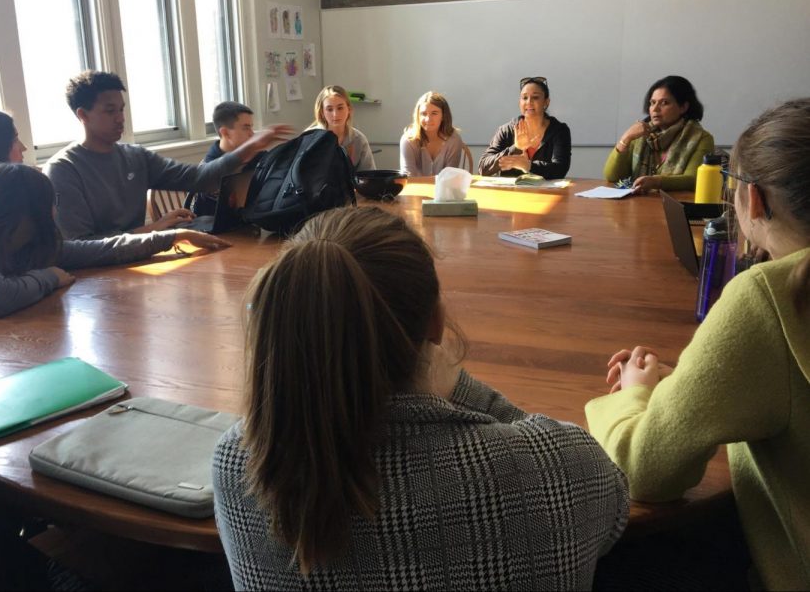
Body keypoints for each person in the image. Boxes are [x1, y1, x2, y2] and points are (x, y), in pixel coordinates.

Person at [213, 206, 628, 588]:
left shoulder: (239, 467)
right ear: (436, 323)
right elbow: (616, 503)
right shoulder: (562, 467)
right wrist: (633, 398)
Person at [585, 99, 810, 590]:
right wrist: (698, 381)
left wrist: (634, 393)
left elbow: (644, 468)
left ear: (753, 200)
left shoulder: (770, 296)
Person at [0, 163, 230, 367]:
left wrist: (171, 237)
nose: (54, 213)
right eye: (51, 205)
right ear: (28, 211)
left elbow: (100, 250)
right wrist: (48, 277)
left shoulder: (22, 240)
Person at [43, 70, 290, 240]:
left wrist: (250, 147)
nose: (120, 118)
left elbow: (199, 178)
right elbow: (81, 245)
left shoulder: (136, 156)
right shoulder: (64, 169)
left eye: (121, 109)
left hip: (140, 263)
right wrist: (153, 230)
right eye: (109, 111)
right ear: (82, 115)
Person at [603, 75, 714, 193]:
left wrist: (657, 182)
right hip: (638, 203)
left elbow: (694, 180)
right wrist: (626, 138)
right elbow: (612, 176)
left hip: (676, 206)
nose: (655, 109)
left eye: (664, 103)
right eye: (652, 103)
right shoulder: (640, 134)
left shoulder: (701, 138)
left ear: (683, 107)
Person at [187, 102, 276, 217]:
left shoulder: (258, 156)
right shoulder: (209, 167)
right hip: (220, 230)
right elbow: (217, 214)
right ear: (225, 133)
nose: (252, 134)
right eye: (246, 128)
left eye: (251, 127)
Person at [478, 77, 571, 179]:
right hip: (510, 193)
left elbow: (560, 170)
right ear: (519, 102)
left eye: (535, 97)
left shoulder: (559, 130)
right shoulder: (506, 130)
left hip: (547, 193)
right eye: (524, 98)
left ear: (546, 102)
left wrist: (528, 165)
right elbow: (483, 168)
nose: (529, 102)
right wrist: (516, 148)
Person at [308, 85, 376, 171]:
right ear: (322, 112)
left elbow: (369, 176)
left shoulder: (359, 140)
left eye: (340, 108)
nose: (335, 114)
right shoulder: (310, 138)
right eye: (329, 109)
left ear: (349, 109)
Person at [399, 91, 467, 176]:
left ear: (443, 116)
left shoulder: (454, 140)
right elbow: (408, 178)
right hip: (415, 188)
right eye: (423, 114)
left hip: (443, 188)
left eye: (434, 113)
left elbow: (449, 178)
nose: (428, 119)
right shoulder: (408, 140)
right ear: (418, 116)